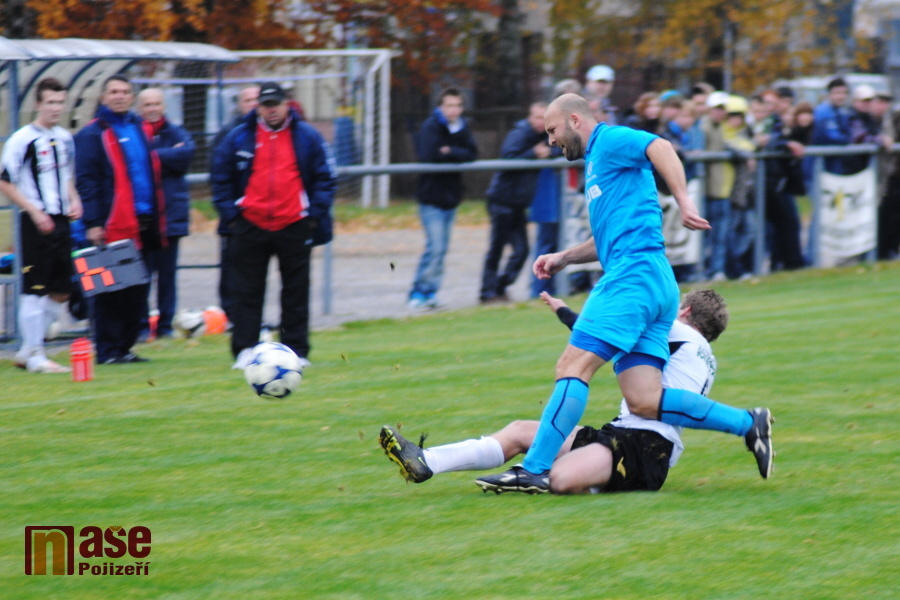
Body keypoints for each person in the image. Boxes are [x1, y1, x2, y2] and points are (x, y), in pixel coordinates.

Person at [478, 94, 773, 493]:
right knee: (644, 399)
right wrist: (564, 257)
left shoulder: (609, 140)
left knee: (572, 367)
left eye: (552, 130)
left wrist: (684, 201)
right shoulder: (599, 163)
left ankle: (533, 469)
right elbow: (608, 239)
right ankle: (748, 423)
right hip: (656, 281)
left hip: (632, 278)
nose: (550, 140)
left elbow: (660, 146)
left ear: (575, 120)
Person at [379, 288, 731, 494]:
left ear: (684, 310)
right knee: (520, 431)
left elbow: (607, 332)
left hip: (643, 449)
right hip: (627, 438)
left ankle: (547, 476)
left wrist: (567, 313)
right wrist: (566, 312)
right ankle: (428, 461)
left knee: (559, 479)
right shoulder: (704, 356)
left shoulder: (675, 331)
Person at [212, 82, 336, 368]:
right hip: (249, 225)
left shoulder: (308, 136)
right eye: (266, 105)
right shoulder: (238, 137)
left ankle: (296, 351)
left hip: (294, 224)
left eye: (276, 104)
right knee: (247, 291)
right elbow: (220, 177)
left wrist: (313, 216)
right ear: (258, 108)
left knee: (296, 292)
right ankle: (245, 350)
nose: (272, 110)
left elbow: (325, 178)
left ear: (286, 105)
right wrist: (233, 216)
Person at [75, 74, 165, 365]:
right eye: (113, 91)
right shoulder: (92, 134)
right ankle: (107, 350)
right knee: (108, 290)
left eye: (125, 91)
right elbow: (86, 181)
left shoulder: (139, 128)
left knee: (137, 290)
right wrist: (93, 222)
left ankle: (125, 347)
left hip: (142, 222)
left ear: (131, 97)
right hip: (110, 223)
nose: (119, 96)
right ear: (103, 97)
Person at [0, 78, 82, 373]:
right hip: (35, 221)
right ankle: (35, 354)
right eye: (50, 102)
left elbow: (67, 175)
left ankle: (27, 350)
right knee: (34, 289)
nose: (56, 108)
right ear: (38, 104)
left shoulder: (64, 138)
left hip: (61, 221)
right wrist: (34, 212)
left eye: (60, 102)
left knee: (62, 290)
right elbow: (4, 181)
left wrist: (74, 199)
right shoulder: (22, 139)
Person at [407, 88, 478, 310]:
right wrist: (453, 152)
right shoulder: (431, 126)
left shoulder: (461, 127)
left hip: (451, 197)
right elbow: (430, 154)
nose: (453, 110)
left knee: (442, 249)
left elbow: (472, 153)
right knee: (435, 248)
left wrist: (450, 150)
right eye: (449, 105)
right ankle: (418, 293)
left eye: (457, 105)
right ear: (440, 107)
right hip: (431, 197)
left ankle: (431, 293)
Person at [134, 88, 195, 340]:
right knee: (141, 276)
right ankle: (141, 326)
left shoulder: (176, 132)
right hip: (143, 219)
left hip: (170, 218)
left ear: (164, 106)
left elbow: (186, 154)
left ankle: (165, 326)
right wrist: (166, 156)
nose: (153, 108)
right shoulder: (134, 132)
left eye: (157, 103)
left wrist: (148, 157)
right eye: (148, 104)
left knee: (167, 276)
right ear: (140, 107)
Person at [480, 102, 551, 303]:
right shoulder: (519, 134)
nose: (540, 122)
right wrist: (533, 154)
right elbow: (508, 159)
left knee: (522, 251)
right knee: (496, 248)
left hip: (519, 204)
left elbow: (556, 150)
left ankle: (500, 287)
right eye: (537, 117)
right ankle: (487, 292)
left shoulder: (544, 136)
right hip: (502, 200)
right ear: (530, 117)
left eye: (544, 118)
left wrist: (546, 153)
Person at [211, 84, 260, 325]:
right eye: (248, 100)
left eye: (257, 99)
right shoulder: (229, 135)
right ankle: (230, 315)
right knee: (231, 267)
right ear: (240, 105)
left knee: (255, 271)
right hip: (236, 218)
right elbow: (219, 176)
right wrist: (231, 214)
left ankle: (253, 317)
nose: (253, 104)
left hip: (262, 218)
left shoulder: (270, 133)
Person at [701, 91, 735, 281]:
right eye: (717, 108)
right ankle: (706, 269)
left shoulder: (723, 128)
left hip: (721, 189)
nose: (720, 112)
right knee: (706, 236)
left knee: (721, 234)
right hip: (707, 191)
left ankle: (717, 269)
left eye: (723, 109)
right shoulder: (704, 128)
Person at [811, 77, 853, 175]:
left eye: (844, 93)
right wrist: (846, 139)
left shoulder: (843, 111)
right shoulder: (822, 111)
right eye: (837, 93)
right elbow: (831, 137)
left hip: (837, 161)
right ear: (829, 94)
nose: (841, 96)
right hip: (822, 162)